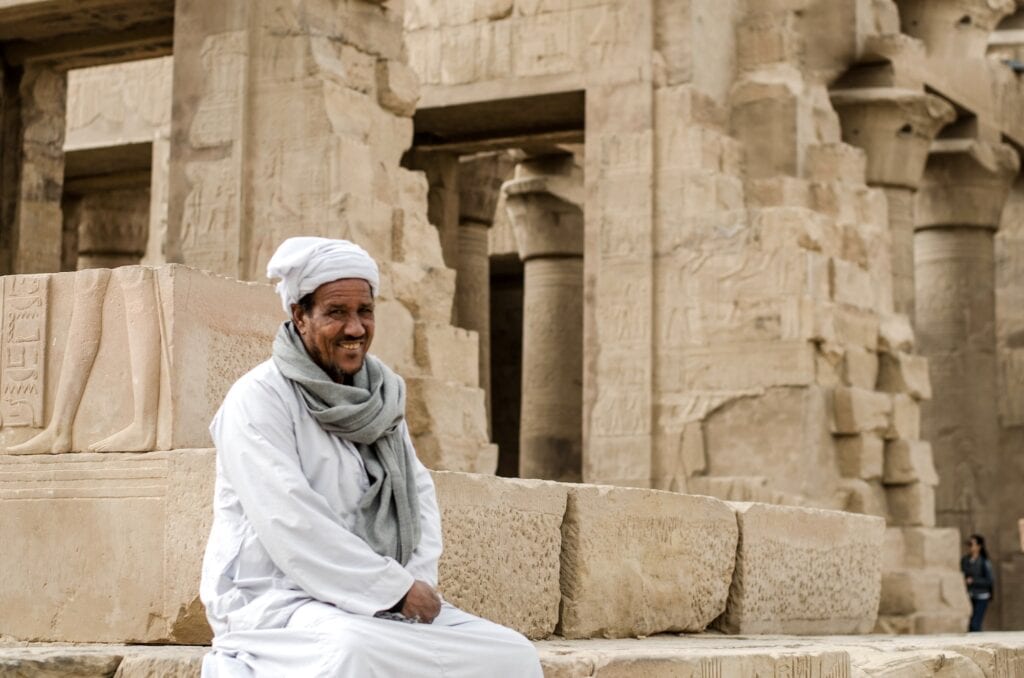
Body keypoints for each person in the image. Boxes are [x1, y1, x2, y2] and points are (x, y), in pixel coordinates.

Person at [199, 237, 542, 677]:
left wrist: (415, 584)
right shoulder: (258, 399)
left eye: (365, 311)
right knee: (351, 652)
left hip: (387, 598)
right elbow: (290, 521)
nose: (356, 328)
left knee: (510, 655)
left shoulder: (380, 395)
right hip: (279, 597)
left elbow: (418, 499)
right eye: (336, 313)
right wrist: (391, 590)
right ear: (300, 316)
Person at [960, 533, 994, 632]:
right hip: (969, 596)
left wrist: (973, 581)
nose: (970, 547)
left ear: (979, 546)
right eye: (969, 544)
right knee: (970, 625)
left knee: (975, 624)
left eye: (972, 544)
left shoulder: (984, 562)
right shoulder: (965, 560)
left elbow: (989, 580)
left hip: (982, 596)